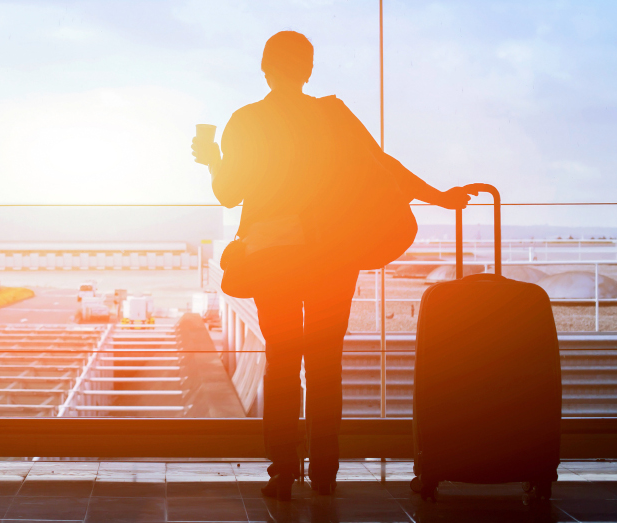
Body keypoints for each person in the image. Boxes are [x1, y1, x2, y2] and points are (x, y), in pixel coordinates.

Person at [191, 31, 469, 500]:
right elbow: (383, 165)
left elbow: (228, 194)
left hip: (274, 256)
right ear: (309, 69)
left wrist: (212, 159)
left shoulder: (247, 120)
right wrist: (438, 197)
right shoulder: (332, 116)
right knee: (324, 365)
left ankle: (282, 472)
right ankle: (324, 472)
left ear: (265, 68)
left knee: (282, 363)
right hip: (332, 257)